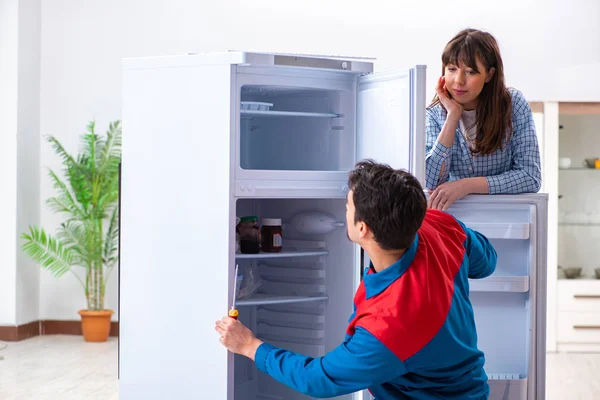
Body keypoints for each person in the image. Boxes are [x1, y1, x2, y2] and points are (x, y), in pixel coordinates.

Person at [215, 159, 497, 399]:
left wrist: (249, 345)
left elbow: (317, 379)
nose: (344, 209)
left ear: (363, 228)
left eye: (347, 205)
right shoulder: (439, 225)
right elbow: (487, 262)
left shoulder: (389, 325)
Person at [426, 28, 541, 211]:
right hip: (454, 221)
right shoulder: (434, 114)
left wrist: (466, 185)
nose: (458, 80)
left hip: (504, 218)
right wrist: (453, 116)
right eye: (452, 69)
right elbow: (431, 181)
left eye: (470, 72)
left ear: (489, 74)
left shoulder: (513, 104)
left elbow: (530, 177)